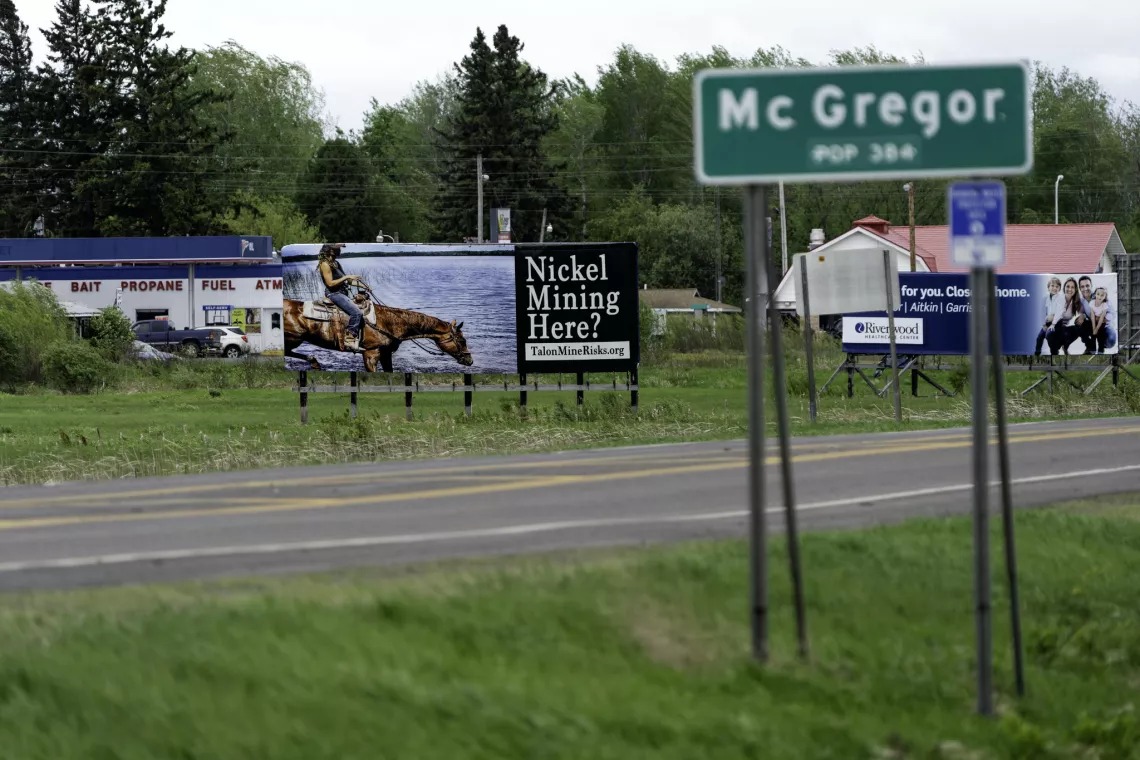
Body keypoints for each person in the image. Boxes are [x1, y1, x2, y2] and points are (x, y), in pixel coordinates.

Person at [316, 243, 365, 353]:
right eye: (337, 249)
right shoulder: (324, 264)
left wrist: (363, 286)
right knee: (357, 313)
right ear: (331, 251)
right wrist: (347, 276)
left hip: (342, 293)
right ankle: (349, 338)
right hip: (334, 294)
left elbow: (347, 281)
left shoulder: (336, 263)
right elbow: (330, 283)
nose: (340, 251)